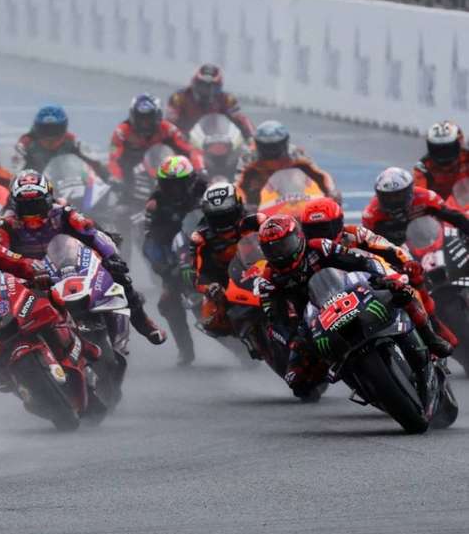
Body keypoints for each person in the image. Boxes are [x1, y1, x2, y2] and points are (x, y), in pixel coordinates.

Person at [256, 214, 452, 397]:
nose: (280, 253)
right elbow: (274, 321)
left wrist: (383, 278)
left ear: (298, 238)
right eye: (272, 249)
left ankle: (430, 337)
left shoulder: (319, 247)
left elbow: (359, 261)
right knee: (297, 384)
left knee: (402, 290)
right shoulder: (267, 281)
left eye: (284, 245)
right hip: (312, 322)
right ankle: (348, 375)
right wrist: (292, 340)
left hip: (350, 293)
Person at [0, 170, 167, 345]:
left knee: (119, 275)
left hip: (68, 264)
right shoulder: (6, 224)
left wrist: (111, 256)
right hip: (33, 275)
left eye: (36, 205)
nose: (32, 213)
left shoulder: (63, 212)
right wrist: (14, 274)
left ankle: (143, 323)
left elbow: (90, 233)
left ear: (48, 199)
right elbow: (1, 255)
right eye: (26, 206)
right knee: (9, 304)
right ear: (14, 204)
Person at [302, 197, 459, 347]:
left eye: (323, 229)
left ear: (338, 224)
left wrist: (407, 263)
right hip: (332, 298)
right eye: (313, 231)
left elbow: (388, 248)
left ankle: (431, 330)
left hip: (368, 280)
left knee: (408, 282)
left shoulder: (354, 234)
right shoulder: (303, 252)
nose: (320, 236)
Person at [142, 156, 209, 363]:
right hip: (176, 260)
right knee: (168, 302)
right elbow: (150, 241)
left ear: (190, 180)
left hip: (209, 250)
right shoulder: (155, 205)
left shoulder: (206, 190)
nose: (174, 191)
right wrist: (164, 268)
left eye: (179, 185)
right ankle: (185, 350)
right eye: (169, 186)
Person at [188, 182, 264, 337]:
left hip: (264, 269)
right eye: (217, 218)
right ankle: (238, 343)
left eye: (227, 215)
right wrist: (210, 287)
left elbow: (281, 237)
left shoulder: (257, 220)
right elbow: (197, 274)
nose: (223, 222)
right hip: (224, 281)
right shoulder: (200, 237)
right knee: (211, 322)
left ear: (238, 208)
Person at [107, 93, 206, 186]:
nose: (144, 123)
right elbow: (113, 158)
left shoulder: (168, 129)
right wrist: (117, 177)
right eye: (140, 118)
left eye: (148, 118)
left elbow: (191, 149)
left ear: (157, 117)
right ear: (133, 116)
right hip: (131, 175)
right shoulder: (121, 132)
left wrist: (200, 168)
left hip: (163, 173)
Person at [235, 120, 339, 208]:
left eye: (275, 145)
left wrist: (330, 191)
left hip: (295, 200)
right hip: (259, 205)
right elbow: (239, 185)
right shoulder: (248, 158)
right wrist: (242, 203)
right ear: (258, 144)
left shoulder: (296, 154)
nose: (271, 150)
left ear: (285, 142)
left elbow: (318, 175)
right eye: (266, 146)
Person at [362, 167, 469, 245]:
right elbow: (369, 244)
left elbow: (456, 218)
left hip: (429, 244)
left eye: (398, 196)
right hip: (394, 253)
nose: (394, 201)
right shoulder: (371, 214)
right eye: (388, 197)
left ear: (409, 191)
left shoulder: (427, 197)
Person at [12, 105, 111, 179]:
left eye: (55, 130)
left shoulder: (73, 141)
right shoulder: (25, 143)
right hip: (37, 189)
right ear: (37, 129)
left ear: (64, 128)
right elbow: (16, 170)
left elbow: (94, 161)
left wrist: (109, 178)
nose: (50, 136)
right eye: (45, 130)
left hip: (68, 185)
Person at [165, 64, 255, 140]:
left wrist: (252, 137)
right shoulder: (179, 98)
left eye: (211, 87)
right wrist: (178, 136)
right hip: (186, 142)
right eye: (202, 86)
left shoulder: (227, 99)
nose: (206, 91)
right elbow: (169, 123)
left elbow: (241, 119)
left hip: (217, 143)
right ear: (194, 83)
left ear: (219, 87)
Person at [413, 121, 469, 200]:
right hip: (439, 209)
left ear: (459, 144)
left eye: (449, 149)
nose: (444, 154)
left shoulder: (467, 159)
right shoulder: (422, 168)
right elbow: (419, 195)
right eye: (438, 150)